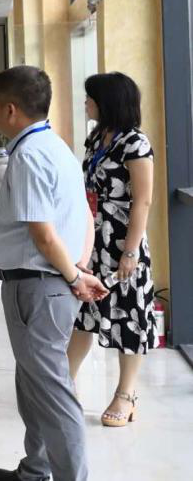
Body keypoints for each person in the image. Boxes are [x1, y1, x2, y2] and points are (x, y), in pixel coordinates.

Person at [0, 66, 108, 481]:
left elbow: (42, 234)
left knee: (53, 394)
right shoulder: (56, 146)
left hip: (37, 286)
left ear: (10, 109)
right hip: (53, 281)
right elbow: (85, 216)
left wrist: (74, 277)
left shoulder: (29, 156)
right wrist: (79, 268)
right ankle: (35, 469)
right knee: (34, 385)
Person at [68, 72, 157, 428]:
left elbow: (143, 201)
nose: (85, 103)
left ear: (107, 102)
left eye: (90, 98)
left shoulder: (136, 143)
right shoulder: (97, 138)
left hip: (122, 243)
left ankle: (126, 394)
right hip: (93, 240)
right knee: (83, 313)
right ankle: (64, 383)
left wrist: (131, 252)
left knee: (128, 315)